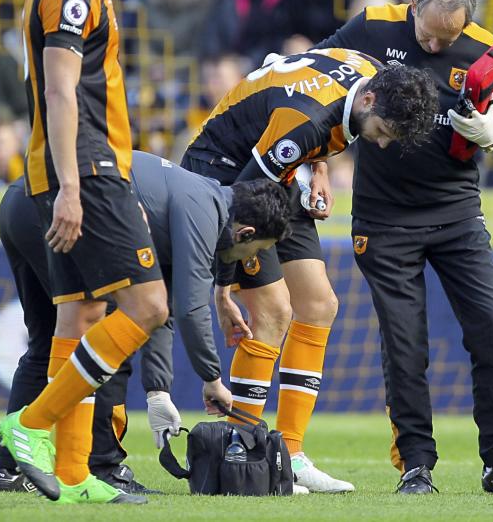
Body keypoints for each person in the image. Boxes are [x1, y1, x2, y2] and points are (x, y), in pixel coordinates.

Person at [314, 0, 493, 495]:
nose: (436, 45)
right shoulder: (371, 26)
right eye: (429, 35)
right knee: (406, 346)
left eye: (447, 39)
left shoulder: (486, 49)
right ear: (413, 5)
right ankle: (416, 466)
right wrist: (321, 163)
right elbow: (314, 79)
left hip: (457, 212)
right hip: (383, 218)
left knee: (491, 331)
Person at [181, 48, 438, 493]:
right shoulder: (304, 125)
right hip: (225, 177)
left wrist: (317, 167)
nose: (379, 143)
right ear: (371, 104)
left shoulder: (368, 70)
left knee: (319, 305)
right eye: (381, 133)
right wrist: (223, 292)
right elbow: (240, 202)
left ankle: (290, 455)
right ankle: (243, 452)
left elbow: (284, 60)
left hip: (279, 172)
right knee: (273, 311)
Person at [0, 0, 169, 505]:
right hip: (88, 170)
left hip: (64, 169)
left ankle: (72, 474)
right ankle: (32, 423)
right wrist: (72, 185)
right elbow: (63, 89)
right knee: (149, 307)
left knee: (81, 314)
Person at [0, 150, 291, 495]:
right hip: (60, 208)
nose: (251, 260)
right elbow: (192, 310)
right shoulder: (203, 213)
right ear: (246, 232)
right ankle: (99, 466)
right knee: (107, 338)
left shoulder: (204, 199)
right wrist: (211, 378)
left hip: (21, 203)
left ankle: (9, 470)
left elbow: (162, 309)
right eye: (256, 250)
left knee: (46, 346)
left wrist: (158, 391)